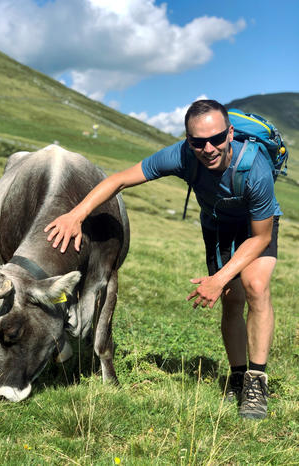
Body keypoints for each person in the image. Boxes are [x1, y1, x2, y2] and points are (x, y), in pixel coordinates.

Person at [44, 99, 280, 420]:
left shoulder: (256, 169)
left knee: (254, 286)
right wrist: (76, 214)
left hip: (257, 227)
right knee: (232, 300)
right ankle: (237, 375)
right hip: (218, 225)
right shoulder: (182, 155)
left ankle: (256, 381)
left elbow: (261, 238)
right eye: (198, 142)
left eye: (217, 138)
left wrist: (219, 277)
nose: (208, 148)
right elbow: (119, 180)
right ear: (187, 140)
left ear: (230, 133)